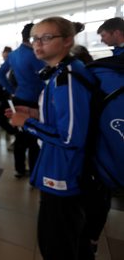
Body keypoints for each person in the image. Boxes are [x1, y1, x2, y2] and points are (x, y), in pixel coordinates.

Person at [8, 17, 94, 260]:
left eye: (46, 38)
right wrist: (34, 114)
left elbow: (70, 137)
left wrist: (27, 123)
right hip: (60, 169)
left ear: (67, 41)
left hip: (63, 173)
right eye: (35, 38)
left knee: (56, 244)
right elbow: (66, 118)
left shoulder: (66, 78)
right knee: (72, 239)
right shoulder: (61, 73)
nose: (38, 44)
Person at [82, 17, 124, 255]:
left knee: (101, 191)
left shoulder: (106, 70)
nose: (102, 40)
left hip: (109, 147)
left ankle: (91, 239)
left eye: (104, 35)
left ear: (117, 33)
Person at [0, 23, 45, 178]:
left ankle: (19, 169)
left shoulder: (13, 55)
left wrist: (12, 90)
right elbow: (45, 79)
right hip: (34, 101)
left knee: (20, 136)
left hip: (18, 98)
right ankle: (34, 172)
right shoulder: (34, 55)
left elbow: (0, 74)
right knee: (33, 138)